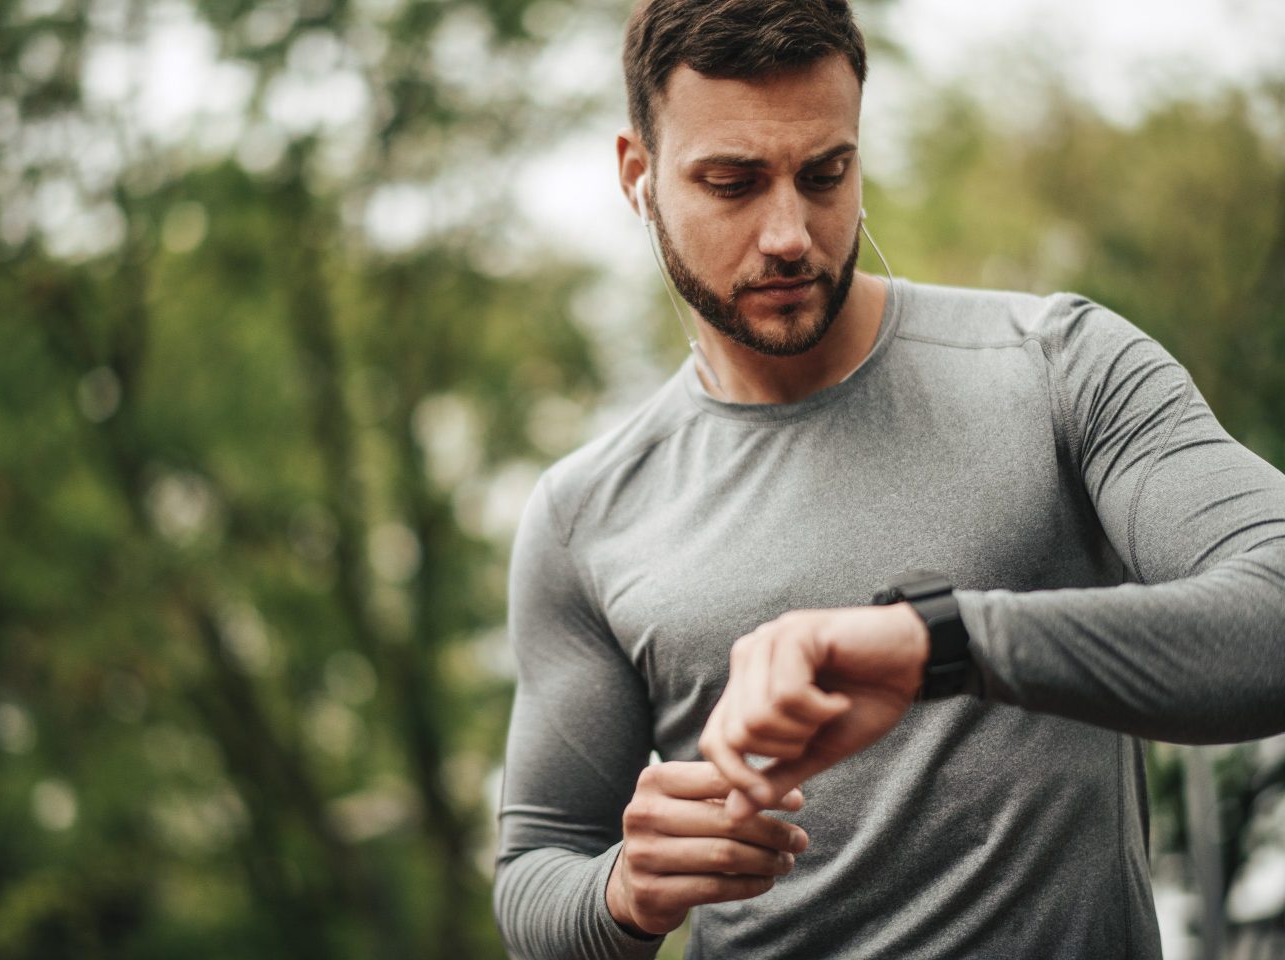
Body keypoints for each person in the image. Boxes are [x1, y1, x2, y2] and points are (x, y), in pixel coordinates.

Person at [492, 0, 1285, 956]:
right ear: (639, 177)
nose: (790, 233)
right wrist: (622, 892)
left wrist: (940, 643)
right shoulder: (583, 517)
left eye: (825, 174)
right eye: (732, 183)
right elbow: (537, 868)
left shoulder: (1057, 366)